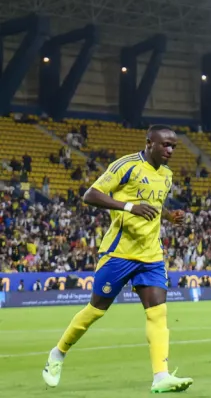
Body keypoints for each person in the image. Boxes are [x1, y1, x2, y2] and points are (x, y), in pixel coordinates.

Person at [42, 125, 194, 393]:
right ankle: (58, 354)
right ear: (149, 143)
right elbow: (90, 195)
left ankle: (161, 376)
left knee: (158, 312)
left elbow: (154, 206)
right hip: (119, 253)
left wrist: (169, 216)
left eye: (173, 147)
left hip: (151, 254)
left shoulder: (167, 176)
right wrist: (129, 207)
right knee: (95, 310)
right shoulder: (126, 166)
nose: (170, 151)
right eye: (165, 145)